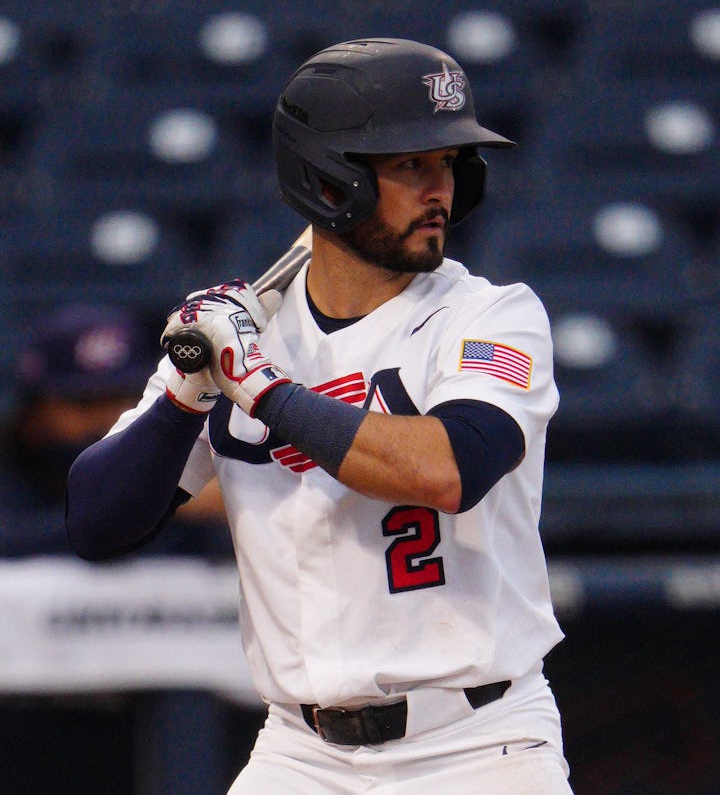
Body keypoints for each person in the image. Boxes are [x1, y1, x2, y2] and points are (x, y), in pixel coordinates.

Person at [66, 38, 573, 793]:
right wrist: (186, 395)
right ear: (329, 179)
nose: (441, 188)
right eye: (411, 165)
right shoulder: (247, 334)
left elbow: (448, 468)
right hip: (299, 753)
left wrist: (261, 388)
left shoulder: (491, 316)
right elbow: (97, 521)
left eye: (449, 164)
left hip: (477, 744)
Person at [0, 302, 228, 557]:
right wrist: (145, 504)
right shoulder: (12, 475)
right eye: (85, 403)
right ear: (36, 408)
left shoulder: (171, 466)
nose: (105, 418)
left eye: (122, 397)